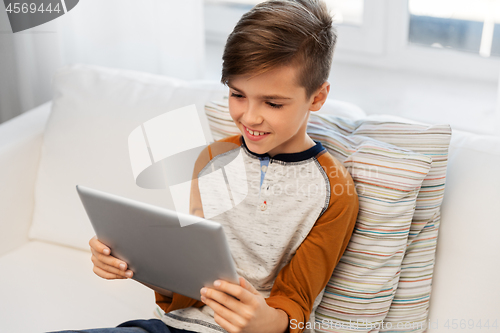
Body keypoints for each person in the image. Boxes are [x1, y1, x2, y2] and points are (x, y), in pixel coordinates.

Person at [52, 0, 359, 332]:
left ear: (317, 97)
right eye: (238, 95)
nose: (250, 117)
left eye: (272, 103)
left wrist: (264, 321)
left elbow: (296, 304)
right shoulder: (213, 160)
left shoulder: (334, 193)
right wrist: (132, 263)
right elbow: (192, 276)